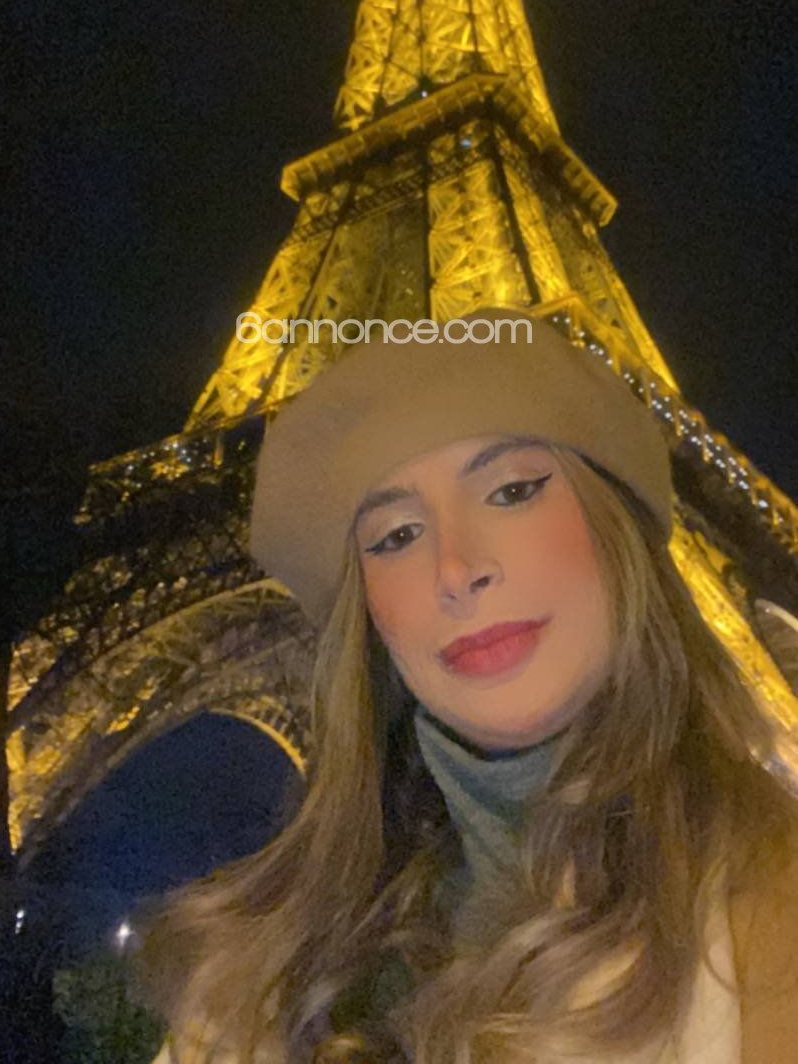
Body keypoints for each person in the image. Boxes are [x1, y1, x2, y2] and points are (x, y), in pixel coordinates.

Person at [136, 309, 798, 1063]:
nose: (456, 569)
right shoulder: (255, 983)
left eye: (512, 491)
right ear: (370, 619)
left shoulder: (773, 910)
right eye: (396, 536)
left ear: (617, 537)